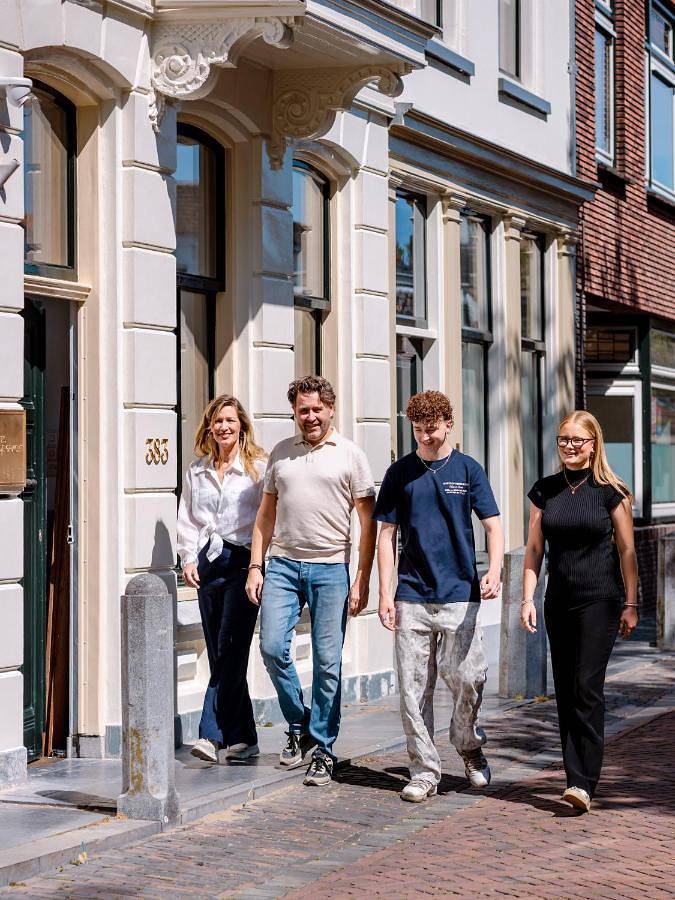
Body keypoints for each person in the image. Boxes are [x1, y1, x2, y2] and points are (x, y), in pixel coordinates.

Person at [245, 375, 376, 787]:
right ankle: (300, 723)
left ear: (330, 409)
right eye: (303, 410)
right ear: (295, 412)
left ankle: (322, 748)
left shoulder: (350, 455)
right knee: (270, 647)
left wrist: (361, 578)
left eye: (317, 409)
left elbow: (368, 522)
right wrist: (255, 565)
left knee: (328, 664)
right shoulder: (281, 454)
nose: (310, 416)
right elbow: (265, 516)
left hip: (330, 568)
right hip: (282, 564)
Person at [375, 391, 504, 803]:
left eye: (432, 428)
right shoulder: (400, 473)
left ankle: (467, 743)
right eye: (418, 429)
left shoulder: (468, 470)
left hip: (460, 594)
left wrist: (495, 570)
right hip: (412, 594)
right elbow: (385, 535)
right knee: (414, 688)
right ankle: (424, 770)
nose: (426, 436)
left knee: (469, 678)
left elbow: (493, 527)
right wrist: (385, 592)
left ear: (449, 424)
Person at [521, 410, 638, 813]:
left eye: (577, 440)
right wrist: (527, 598)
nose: (569, 447)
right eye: (563, 440)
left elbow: (626, 550)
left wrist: (631, 602)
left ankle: (585, 781)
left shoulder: (611, 491)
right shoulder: (544, 490)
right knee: (567, 691)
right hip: (559, 602)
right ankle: (575, 781)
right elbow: (535, 550)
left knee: (587, 686)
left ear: (593, 444)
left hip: (601, 601)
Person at [177, 395, 267, 764]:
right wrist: (187, 559)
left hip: (244, 561)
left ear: (241, 425)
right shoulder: (196, 470)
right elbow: (187, 518)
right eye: (218, 421)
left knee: (231, 648)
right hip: (208, 562)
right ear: (209, 427)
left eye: (230, 420)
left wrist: (258, 567)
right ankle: (244, 737)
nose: (224, 427)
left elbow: (266, 520)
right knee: (220, 652)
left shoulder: (257, 470)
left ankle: (210, 734)